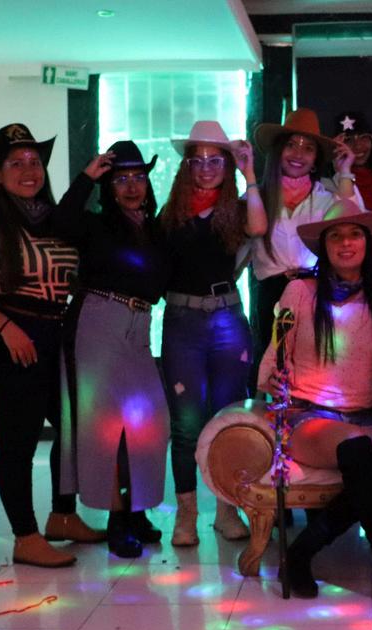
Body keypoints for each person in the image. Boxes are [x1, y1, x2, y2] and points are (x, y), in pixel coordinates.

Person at [259, 200, 372, 618]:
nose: (346, 243)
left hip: (365, 418)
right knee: (358, 451)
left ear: (367, 244)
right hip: (308, 414)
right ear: (324, 246)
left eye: (354, 235)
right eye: (336, 236)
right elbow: (275, 353)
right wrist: (272, 378)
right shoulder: (300, 291)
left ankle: (300, 552)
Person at [0, 123, 102, 568]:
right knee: (19, 441)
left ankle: (62, 516)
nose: (28, 169)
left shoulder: (56, 217)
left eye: (34, 161)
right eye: (15, 163)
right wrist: (6, 328)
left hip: (55, 335)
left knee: (71, 429)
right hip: (11, 338)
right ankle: (25, 536)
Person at [50, 141, 171, 559]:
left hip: (139, 326)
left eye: (138, 177)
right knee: (107, 428)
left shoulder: (156, 230)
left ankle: (136, 509)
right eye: (121, 179)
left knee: (147, 422)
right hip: (98, 320)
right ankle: (118, 517)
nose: (132, 186)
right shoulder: (97, 225)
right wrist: (87, 177)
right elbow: (60, 222)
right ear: (109, 186)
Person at [159, 121, 267, 546]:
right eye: (198, 160)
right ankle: (186, 516)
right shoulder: (170, 215)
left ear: (227, 165)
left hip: (226, 319)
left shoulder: (236, 211)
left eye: (215, 160)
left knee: (227, 419)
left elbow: (258, 227)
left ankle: (226, 510)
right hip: (182, 322)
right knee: (186, 424)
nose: (206, 167)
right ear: (186, 166)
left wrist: (249, 171)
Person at [249, 108, 358, 382]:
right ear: (278, 150)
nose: (298, 154)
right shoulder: (256, 197)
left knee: (313, 370)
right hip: (271, 295)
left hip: (314, 291)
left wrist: (345, 172)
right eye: (291, 145)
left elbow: (350, 223)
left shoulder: (325, 196)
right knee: (272, 372)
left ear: (315, 159)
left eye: (308, 148)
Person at [332, 110, 372, 211]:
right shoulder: (326, 185)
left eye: (364, 138)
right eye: (349, 140)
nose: (358, 146)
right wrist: (344, 172)